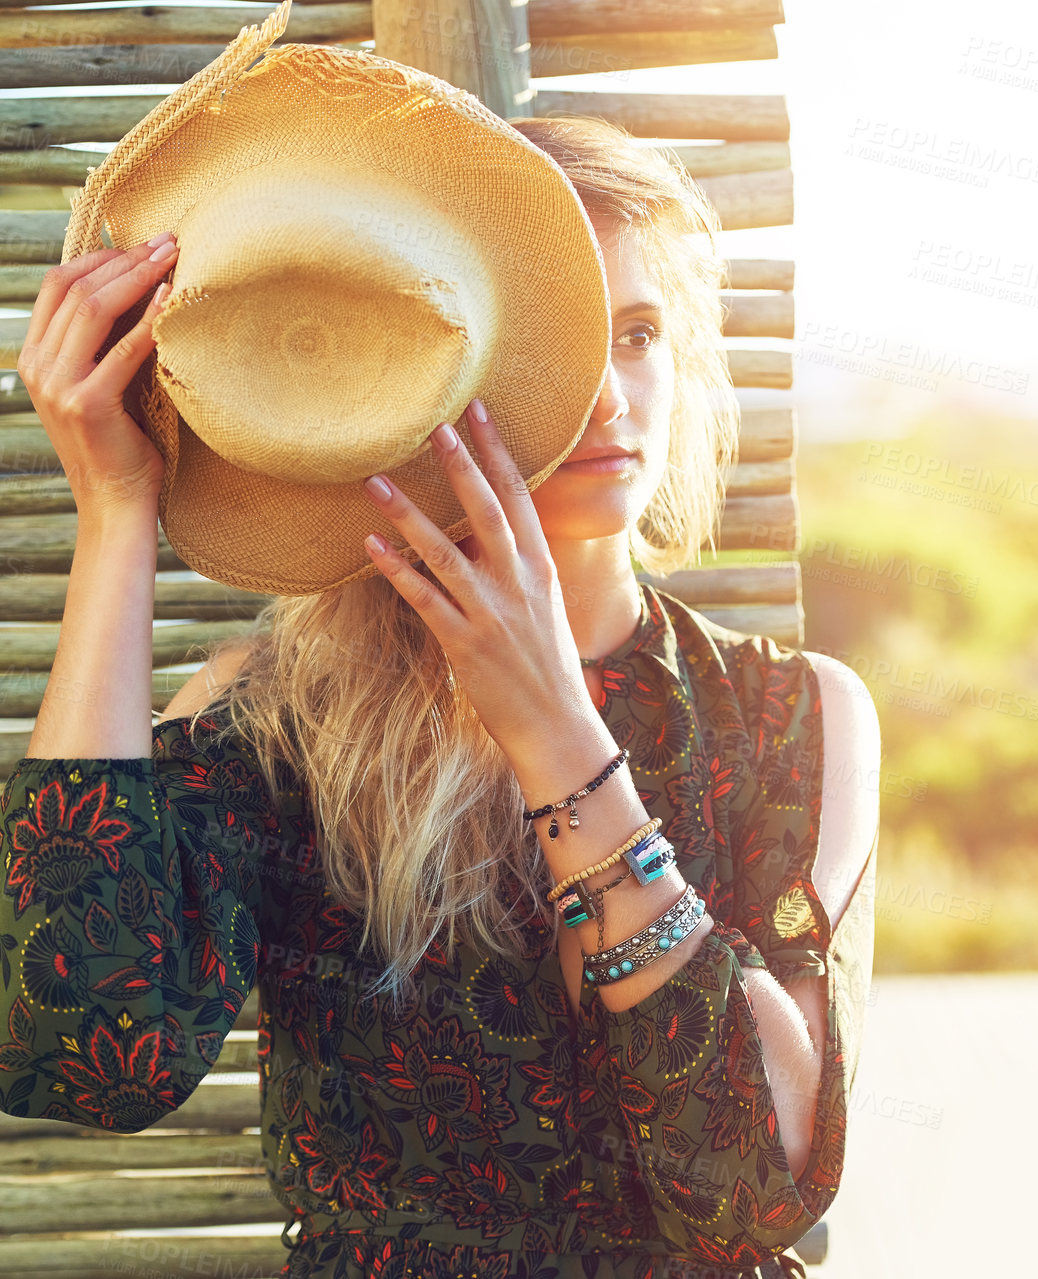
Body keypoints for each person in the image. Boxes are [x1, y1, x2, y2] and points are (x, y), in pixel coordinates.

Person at [0, 115, 879, 1279]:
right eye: (562, 343)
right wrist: (118, 511)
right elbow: (88, 1052)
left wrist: (558, 732)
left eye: (639, 333)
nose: (613, 397)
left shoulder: (793, 712)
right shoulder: (282, 718)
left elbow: (757, 1187)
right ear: (451, 376)